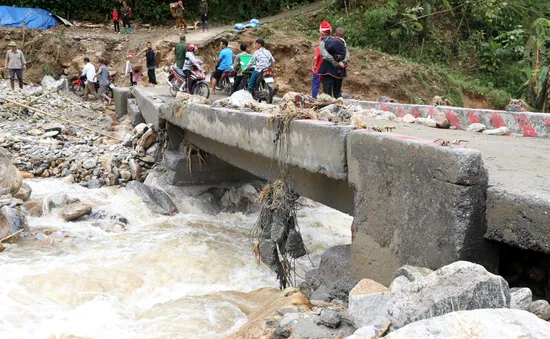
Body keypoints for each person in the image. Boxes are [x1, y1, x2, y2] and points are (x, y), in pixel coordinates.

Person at [317, 27, 348, 98]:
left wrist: (335, 63)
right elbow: (346, 54)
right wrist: (342, 62)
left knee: (327, 94)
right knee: (337, 93)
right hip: (339, 70)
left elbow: (325, 55)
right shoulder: (343, 43)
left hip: (327, 69)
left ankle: (327, 108)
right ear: (343, 36)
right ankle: (340, 106)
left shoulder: (324, 42)